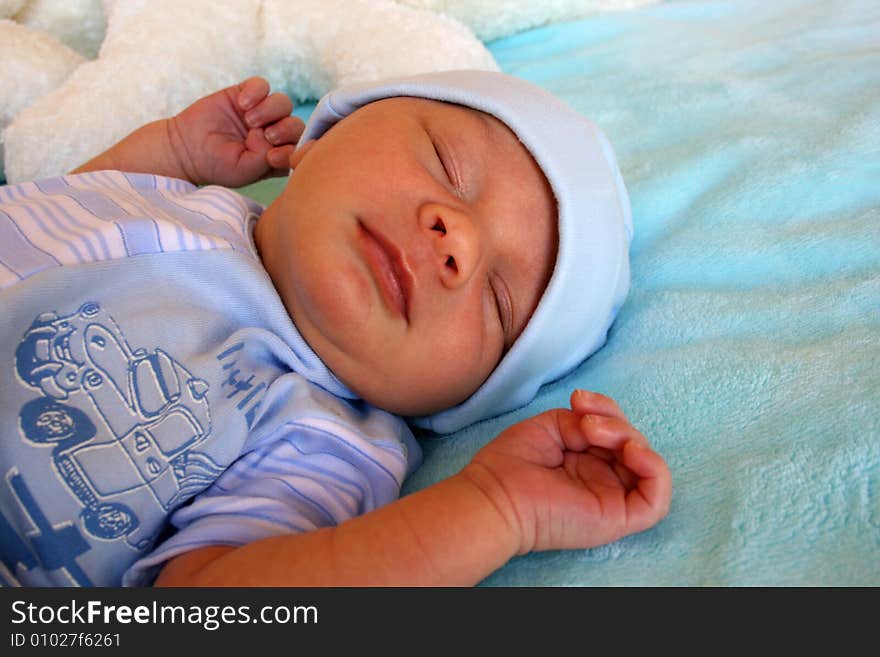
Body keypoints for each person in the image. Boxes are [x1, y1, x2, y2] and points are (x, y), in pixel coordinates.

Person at [0, 71, 671, 587]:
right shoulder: (178, 199)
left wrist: (494, 507)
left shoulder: (327, 442)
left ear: (452, 402)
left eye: (498, 301)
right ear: (320, 140)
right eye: (449, 164)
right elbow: (52, 219)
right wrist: (170, 149)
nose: (457, 237)